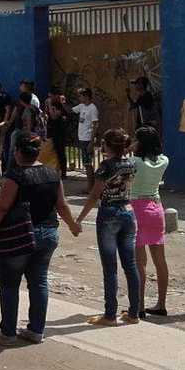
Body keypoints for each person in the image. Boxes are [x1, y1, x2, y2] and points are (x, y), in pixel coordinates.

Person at [0, 132, 81, 345]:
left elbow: (1, 208)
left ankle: (8, 334)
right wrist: (73, 225)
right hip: (48, 234)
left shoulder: (15, 176)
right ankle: (36, 330)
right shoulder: (52, 174)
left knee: (10, 285)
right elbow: (62, 205)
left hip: (18, 236)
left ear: (18, 152)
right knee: (39, 282)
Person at [77, 129, 142, 326]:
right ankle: (133, 312)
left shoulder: (105, 167)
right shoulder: (130, 165)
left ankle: (110, 314)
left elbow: (94, 195)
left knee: (110, 268)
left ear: (108, 145)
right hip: (128, 212)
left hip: (109, 215)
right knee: (130, 265)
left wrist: (79, 219)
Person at [130, 127, 170, 318]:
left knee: (140, 262)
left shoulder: (134, 162)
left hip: (138, 208)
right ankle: (161, 304)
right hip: (157, 207)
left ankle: (139, 306)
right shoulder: (164, 160)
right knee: (160, 260)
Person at [72, 88, 100, 190]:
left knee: (88, 164)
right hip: (82, 138)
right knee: (86, 163)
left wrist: (91, 142)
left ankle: (90, 187)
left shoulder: (92, 108)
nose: (79, 98)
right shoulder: (81, 106)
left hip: (87, 139)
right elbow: (70, 110)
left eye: (81, 96)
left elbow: (95, 125)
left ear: (86, 96)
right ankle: (90, 185)